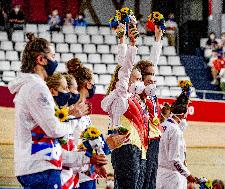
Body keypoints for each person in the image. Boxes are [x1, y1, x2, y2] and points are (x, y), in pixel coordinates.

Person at [8, 33, 80, 188]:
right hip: (41, 165)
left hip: (36, 163)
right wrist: (72, 123)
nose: (55, 60)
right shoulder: (37, 87)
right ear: (41, 60)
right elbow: (53, 129)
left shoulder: (30, 86)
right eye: (52, 56)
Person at [101, 24, 147, 189]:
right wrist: (132, 44)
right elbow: (124, 68)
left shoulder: (128, 97)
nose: (140, 83)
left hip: (132, 150)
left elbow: (122, 65)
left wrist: (122, 39)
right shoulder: (121, 95)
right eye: (137, 79)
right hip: (127, 150)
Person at [67, 58, 109, 189]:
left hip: (87, 171)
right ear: (88, 84)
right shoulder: (72, 110)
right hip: (76, 175)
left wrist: (95, 164)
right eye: (93, 83)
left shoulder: (84, 111)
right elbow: (73, 142)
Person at [133, 25, 163, 189]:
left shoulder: (150, 91)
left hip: (155, 138)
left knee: (152, 178)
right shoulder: (140, 93)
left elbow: (153, 64)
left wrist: (158, 39)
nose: (154, 80)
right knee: (145, 179)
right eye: (150, 77)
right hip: (146, 140)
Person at [156, 83, 196, 189]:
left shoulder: (163, 126)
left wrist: (185, 97)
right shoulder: (175, 131)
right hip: (172, 177)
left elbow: (182, 124)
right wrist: (188, 175)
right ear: (182, 115)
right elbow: (174, 159)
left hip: (159, 174)